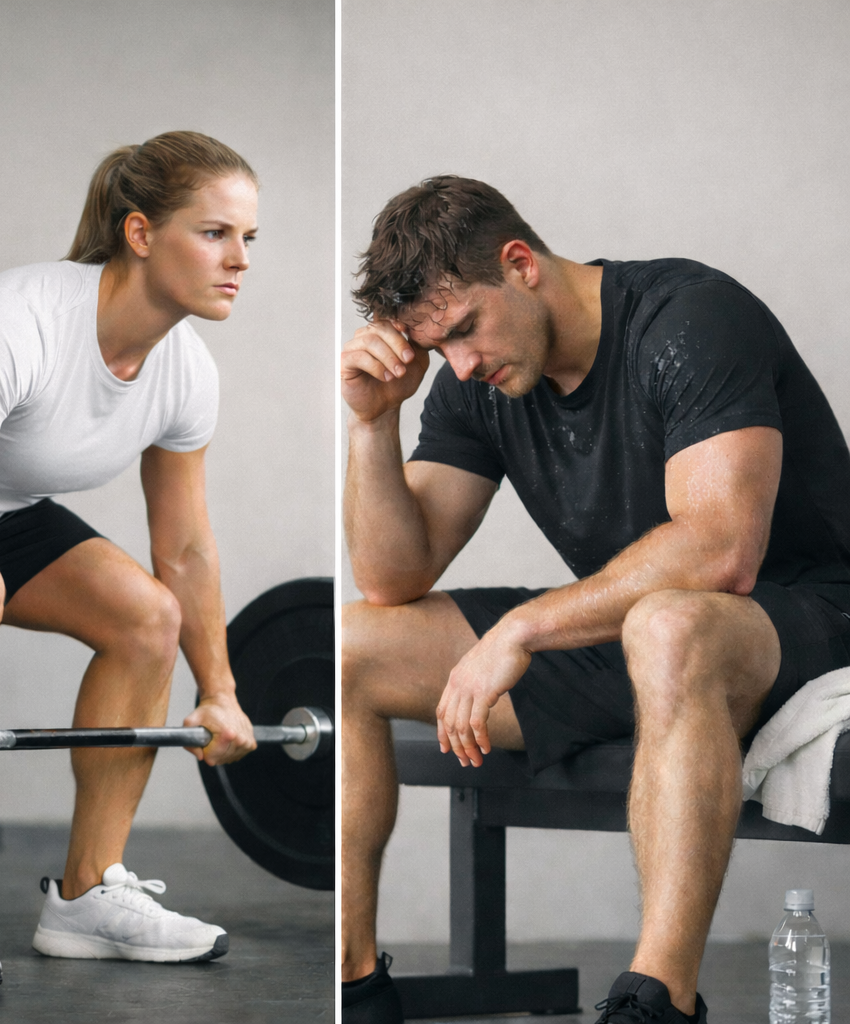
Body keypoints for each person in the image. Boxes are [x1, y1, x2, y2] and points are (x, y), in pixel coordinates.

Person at [340, 176, 850, 1024]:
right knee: (353, 645)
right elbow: (393, 579)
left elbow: (722, 548)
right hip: (645, 632)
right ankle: (357, 987)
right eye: (437, 348)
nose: (459, 365)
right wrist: (371, 425)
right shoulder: (478, 379)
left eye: (464, 329)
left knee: (667, 622)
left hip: (808, 618)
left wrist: (523, 629)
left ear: (520, 264)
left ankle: (657, 1001)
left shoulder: (689, 318)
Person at [0, 131, 262, 994]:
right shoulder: (18, 318)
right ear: (141, 234)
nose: (240, 259)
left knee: (147, 618)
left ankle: (89, 894)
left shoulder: (185, 372)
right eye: (215, 233)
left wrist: (220, 690)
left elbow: (183, 549)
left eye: (249, 238)